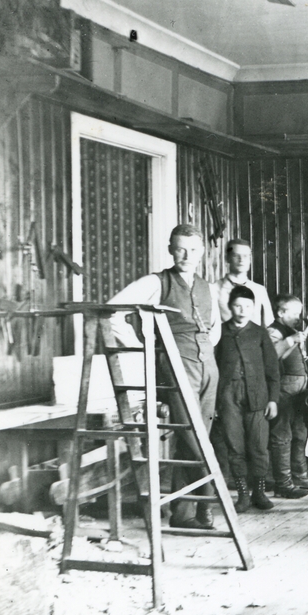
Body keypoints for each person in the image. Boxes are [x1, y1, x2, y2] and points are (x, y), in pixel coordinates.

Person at [107, 222, 220, 530]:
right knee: (193, 435)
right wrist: (142, 348)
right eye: (180, 249)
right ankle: (208, 500)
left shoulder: (209, 288)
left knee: (196, 436)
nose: (187, 255)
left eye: (193, 250)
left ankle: (183, 514)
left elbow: (215, 329)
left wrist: (206, 349)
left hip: (208, 366)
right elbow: (111, 312)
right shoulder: (156, 282)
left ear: (202, 252)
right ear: (171, 250)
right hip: (177, 363)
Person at [213, 285, 281, 512]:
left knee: (259, 445)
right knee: (235, 445)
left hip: (257, 396)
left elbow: (272, 369)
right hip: (228, 397)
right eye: (237, 306)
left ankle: (259, 493)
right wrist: (216, 402)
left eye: (247, 306)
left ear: (253, 308)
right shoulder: (220, 332)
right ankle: (242, 495)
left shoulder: (260, 333)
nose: (242, 310)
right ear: (229, 307)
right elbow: (213, 368)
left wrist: (273, 399)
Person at [267, 294, 308, 498]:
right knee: (282, 435)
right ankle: (283, 483)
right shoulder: (273, 332)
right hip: (283, 389)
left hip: (299, 390)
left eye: (300, 314)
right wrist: (290, 340)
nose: (299, 318)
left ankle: (300, 476)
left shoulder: (293, 332)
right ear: (280, 313)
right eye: (295, 313)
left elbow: (300, 359)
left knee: (299, 433)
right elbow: (270, 357)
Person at [215, 238, 274, 328]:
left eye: (245, 256)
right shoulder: (214, 288)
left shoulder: (260, 290)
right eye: (236, 255)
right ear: (227, 258)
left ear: (250, 260)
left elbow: (269, 324)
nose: (241, 260)